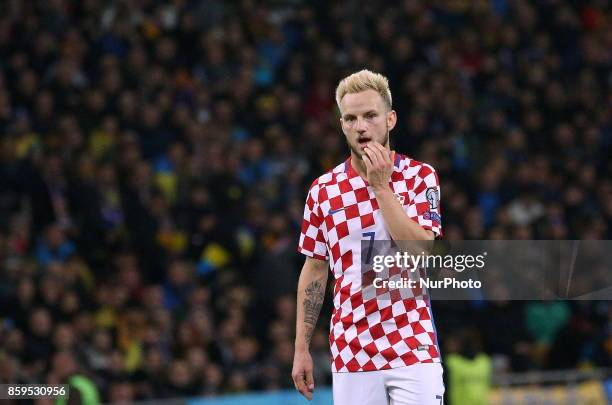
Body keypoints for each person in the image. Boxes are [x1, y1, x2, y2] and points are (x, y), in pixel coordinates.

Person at [292, 70, 444, 404]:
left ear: (390, 119)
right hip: (352, 350)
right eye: (351, 118)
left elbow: (421, 252)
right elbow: (315, 270)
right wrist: (301, 348)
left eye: (370, 116)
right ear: (342, 124)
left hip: (412, 344)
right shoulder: (323, 190)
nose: (361, 126)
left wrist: (380, 187)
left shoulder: (420, 176)